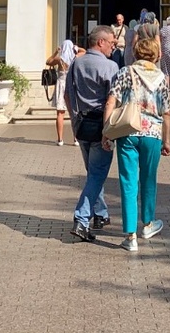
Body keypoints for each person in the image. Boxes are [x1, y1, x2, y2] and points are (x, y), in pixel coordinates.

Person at [104, 36, 170, 252]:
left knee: (128, 182)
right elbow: (167, 112)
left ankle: (130, 235)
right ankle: (148, 224)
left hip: (128, 132)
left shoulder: (125, 72)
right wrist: (166, 140)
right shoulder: (161, 78)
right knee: (149, 179)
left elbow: (111, 101)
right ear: (155, 54)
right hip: (152, 134)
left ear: (135, 53)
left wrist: (106, 132)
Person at [65, 26, 119, 241]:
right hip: (101, 125)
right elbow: (111, 101)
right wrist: (108, 130)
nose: (113, 46)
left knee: (93, 173)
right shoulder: (110, 66)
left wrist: (73, 119)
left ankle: (101, 214)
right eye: (112, 43)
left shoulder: (76, 63)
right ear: (100, 42)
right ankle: (82, 218)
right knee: (97, 174)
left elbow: (68, 94)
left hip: (81, 124)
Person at [47, 36, 81, 146]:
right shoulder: (75, 57)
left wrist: (56, 52)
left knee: (60, 113)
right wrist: (77, 48)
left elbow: (48, 62)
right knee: (74, 114)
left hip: (61, 85)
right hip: (71, 85)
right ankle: (76, 138)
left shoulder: (59, 59)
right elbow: (85, 51)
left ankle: (60, 139)